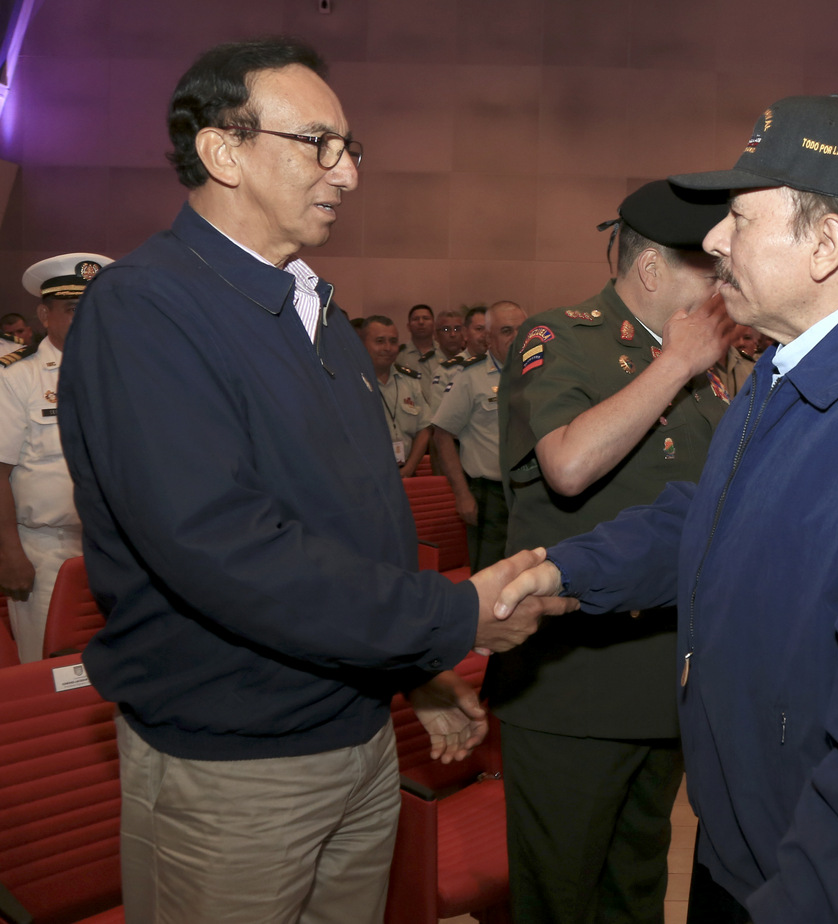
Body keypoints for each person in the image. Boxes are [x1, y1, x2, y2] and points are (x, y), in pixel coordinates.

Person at [56, 38, 569, 924]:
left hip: (357, 735)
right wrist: (451, 618)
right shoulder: (147, 308)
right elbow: (221, 549)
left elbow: (354, 525)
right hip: (236, 765)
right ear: (223, 151)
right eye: (317, 144)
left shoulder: (316, 311)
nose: (349, 174)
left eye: (349, 147)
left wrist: (416, 673)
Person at [495, 95, 838, 924]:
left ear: (826, 243)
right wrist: (570, 570)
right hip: (743, 834)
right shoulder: (787, 368)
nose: (714, 240)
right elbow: (712, 512)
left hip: (808, 878)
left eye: (739, 219)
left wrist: (824, 899)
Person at [490, 178, 733, 924]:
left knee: (634, 893)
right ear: (652, 268)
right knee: (559, 899)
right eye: (710, 266)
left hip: (665, 680)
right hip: (575, 685)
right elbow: (567, 464)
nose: (725, 280)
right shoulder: (561, 337)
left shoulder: (710, 367)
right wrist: (676, 365)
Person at [0, 253, 111, 662]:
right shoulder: (16, 376)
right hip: (45, 550)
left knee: (114, 669)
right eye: (73, 309)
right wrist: (8, 552)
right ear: (45, 315)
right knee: (51, 666)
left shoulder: (119, 370)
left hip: (113, 546)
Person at [431, 300, 527, 571]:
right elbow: (441, 435)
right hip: (490, 495)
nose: (516, 337)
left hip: (530, 493)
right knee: (490, 574)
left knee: (529, 572)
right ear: (488, 338)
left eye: (521, 330)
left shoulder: (539, 374)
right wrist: (462, 494)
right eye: (506, 331)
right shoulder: (470, 377)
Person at [358, 314, 432, 476]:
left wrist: (409, 468)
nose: (387, 348)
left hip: (407, 472)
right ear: (362, 344)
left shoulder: (409, 381)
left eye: (393, 341)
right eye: (380, 341)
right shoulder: (350, 384)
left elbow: (424, 428)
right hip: (365, 476)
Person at [399, 303, 437, 402]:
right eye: (415, 319)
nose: (421, 322)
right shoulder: (399, 355)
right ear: (408, 326)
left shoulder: (444, 352)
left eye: (426, 318)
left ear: (434, 325)